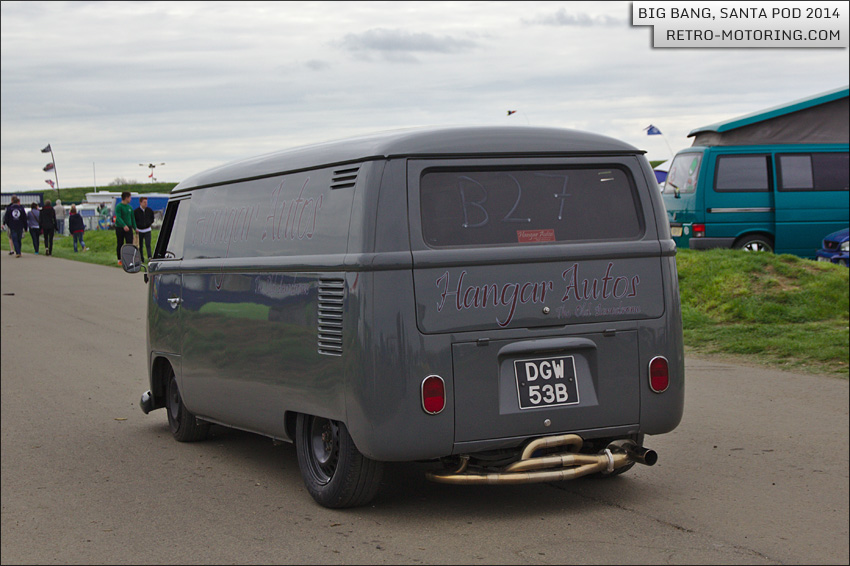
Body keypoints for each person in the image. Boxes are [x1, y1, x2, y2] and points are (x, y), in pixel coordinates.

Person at [114, 192, 136, 265]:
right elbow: (118, 217)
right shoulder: (119, 206)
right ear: (126, 198)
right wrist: (123, 225)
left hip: (129, 227)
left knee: (129, 243)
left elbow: (132, 218)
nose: (130, 199)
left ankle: (129, 259)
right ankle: (119, 259)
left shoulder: (130, 207)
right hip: (120, 227)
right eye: (130, 197)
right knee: (120, 243)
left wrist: (135, 227)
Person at [133, 196, 155, 262]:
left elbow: (152, 218)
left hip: (147, 229)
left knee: (148, 244)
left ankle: (149, 257)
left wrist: (149, 223)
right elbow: (134, 220)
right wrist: (136, 227)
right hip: (139, 230)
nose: (146, 204)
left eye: (146, 202)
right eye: (144, 202)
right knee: (140, 245)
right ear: (140, 203)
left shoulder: (149, 210)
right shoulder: (136, 211)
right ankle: (141, 258)